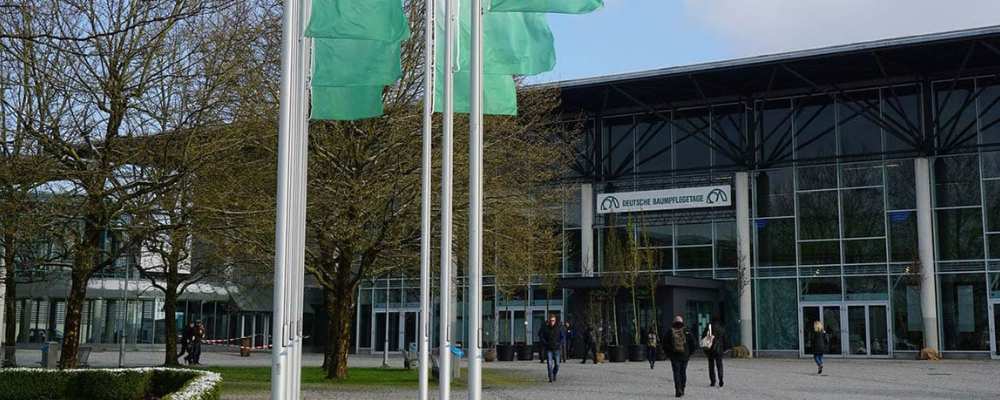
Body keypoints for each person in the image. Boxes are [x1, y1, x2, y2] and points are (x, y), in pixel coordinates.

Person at [666, 315, 698, 398]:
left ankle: (678, 390)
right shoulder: (687, 331)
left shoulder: (670, 331)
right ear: (682, 322)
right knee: (683, 372)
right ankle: (682, 389)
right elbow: (694, 343)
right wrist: (689, 353)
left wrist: (669, 354)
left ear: (674, 322)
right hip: (685, 356)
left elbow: (664, 344)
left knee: (676, 373)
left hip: (674, 356)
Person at [701, 319, 727, 388]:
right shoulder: (721, 328)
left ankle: (713, 381)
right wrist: (724, 349)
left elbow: (703, 337)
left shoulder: (708, 327)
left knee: (711, 366)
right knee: (719, 365)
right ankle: (720, 378)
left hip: (710, 349)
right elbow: (725, 339)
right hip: (719, 349)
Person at [538, 313, 562, 382]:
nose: (552, 322)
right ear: (549, 321)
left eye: (553, 320)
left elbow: (562, 337)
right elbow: (541, 336)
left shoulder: (558, 328)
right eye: (551, 320)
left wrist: (559, 343)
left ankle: (554, 374)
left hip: (556, 348)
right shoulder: (545, 328)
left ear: (555, 321)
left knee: (557, 364)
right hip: (549, 348)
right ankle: (550, 377)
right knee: (549, 364)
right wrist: (545, 343)